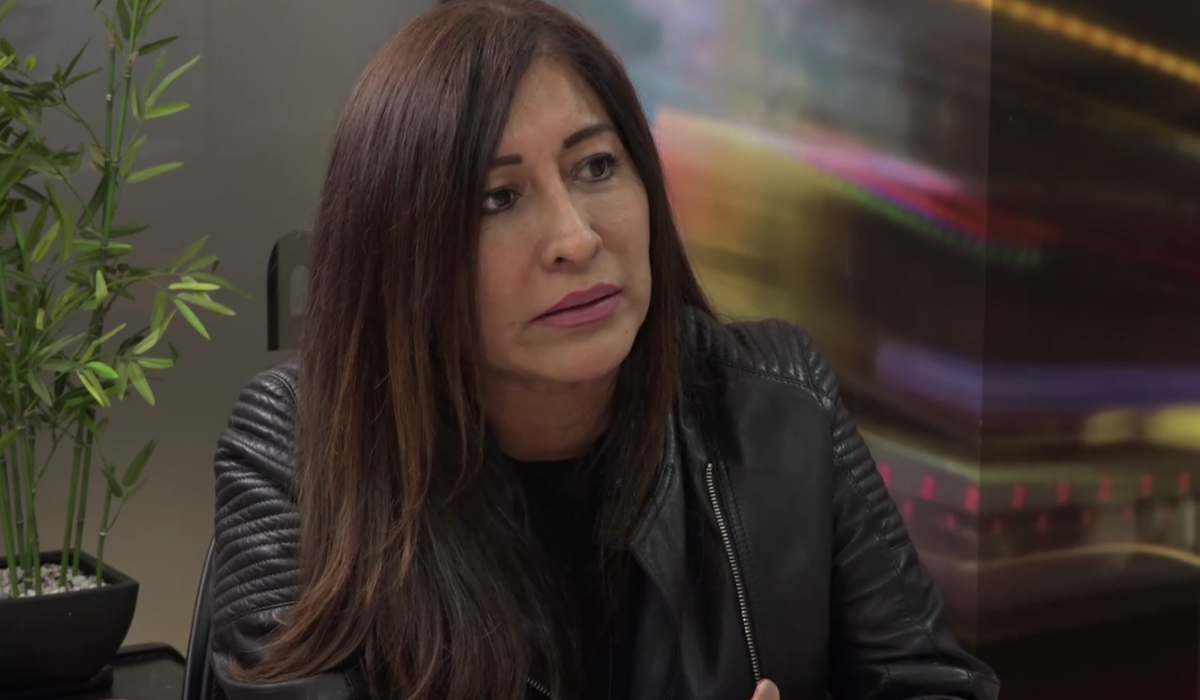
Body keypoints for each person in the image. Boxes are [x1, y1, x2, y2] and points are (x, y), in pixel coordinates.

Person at [208, 1, 1000, 699]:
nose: (576, 238)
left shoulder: (778, 401)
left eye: (596, 167)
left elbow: (931, 684)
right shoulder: (300, 447)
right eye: (499, 197)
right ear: (404, 250)